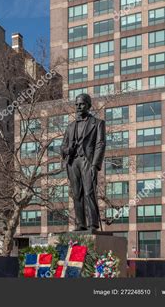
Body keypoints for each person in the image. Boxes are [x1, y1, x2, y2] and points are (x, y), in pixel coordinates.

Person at [61, 94, 106, 231]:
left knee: (89, 192)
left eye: (81, 104)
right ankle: (81, 224)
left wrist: (95, 165)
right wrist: (68, 149)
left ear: (88, 106)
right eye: (76, 104)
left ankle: (93, 224)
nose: (78, 107)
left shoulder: (97, 123)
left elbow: (100, 144)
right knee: (76, 194)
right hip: (73, 161)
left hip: (87, 161)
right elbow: (62, 148)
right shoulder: (70, 127)